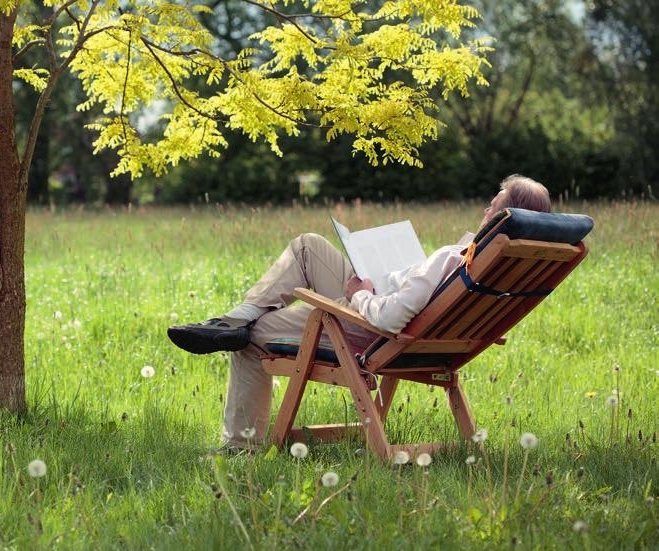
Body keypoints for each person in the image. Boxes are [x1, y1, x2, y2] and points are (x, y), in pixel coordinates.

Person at [168, 175, 552, 451]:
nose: (486, 208)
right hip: (425, 339)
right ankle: (237, 318)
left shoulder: (456, 258)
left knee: (255, 331)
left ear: (503, 217)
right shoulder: (505, 269)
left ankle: (241, 444)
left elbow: (388, 319)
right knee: (308, 248)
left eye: (494, 204)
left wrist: (362, 294)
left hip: (372, 328)